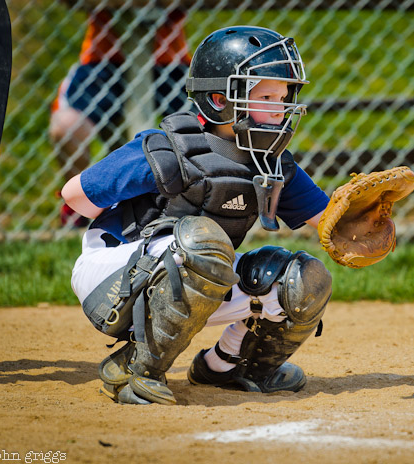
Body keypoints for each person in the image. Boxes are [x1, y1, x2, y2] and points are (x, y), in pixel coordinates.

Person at [61, 26, 332, 405]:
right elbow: (75, 195)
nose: (281, 106)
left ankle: (229, 366)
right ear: (219, 98)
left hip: (195, 267)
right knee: (202, 243)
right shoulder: (170, 149)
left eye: (284, 95)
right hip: (112, 277)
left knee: (302, 280)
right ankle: (136, 370)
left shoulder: (269, 163)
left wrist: (369, 218)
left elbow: (331, 222)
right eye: (267, 95)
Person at [51, 7, 192, 226]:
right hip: (102, 57)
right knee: (67, 125)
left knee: (210, 122)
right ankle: (80, 205)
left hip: (168, 58)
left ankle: (200, 199)